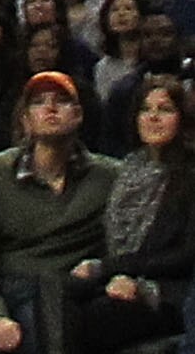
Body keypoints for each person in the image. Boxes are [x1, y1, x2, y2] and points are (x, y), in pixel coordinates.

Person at [0, 73, 117, 354]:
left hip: (55, 290)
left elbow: (123, 244)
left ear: (77, 115)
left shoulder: (110, 176)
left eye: (61, 101)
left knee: (40, 330)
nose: (50, 108)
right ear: (25, 120)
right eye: (39, 102)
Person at [55, 81, 194, 354]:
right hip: (121, 273)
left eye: (164, 109)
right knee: (56, 295)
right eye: (145, 109)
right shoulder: (128, 168)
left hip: (170, 290)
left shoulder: (190, 174)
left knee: (98, 317)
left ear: (183, 118)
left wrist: (115, 271)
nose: (153, 117)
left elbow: (186, 255)